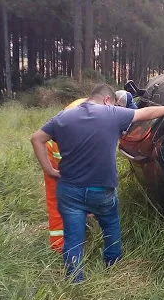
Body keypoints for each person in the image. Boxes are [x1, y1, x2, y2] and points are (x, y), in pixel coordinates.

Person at [31, 84, 164, 282]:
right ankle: (112, 263)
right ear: (107, 100)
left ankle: (75, 279)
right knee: (110, 223)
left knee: (73, 238)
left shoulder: (63, 117)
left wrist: (49, 169)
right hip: (100, 189)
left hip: (68, 190)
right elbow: (147, 113)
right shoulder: (112, 113)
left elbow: (36, 138)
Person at [43, 92, 132, 253]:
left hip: (58, 149)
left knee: (64, 199)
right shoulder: (103, 113)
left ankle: (63, 244)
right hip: (64, 153)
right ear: (110, 102)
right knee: (62, 198)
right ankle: (60, 243)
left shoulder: (84, 104)